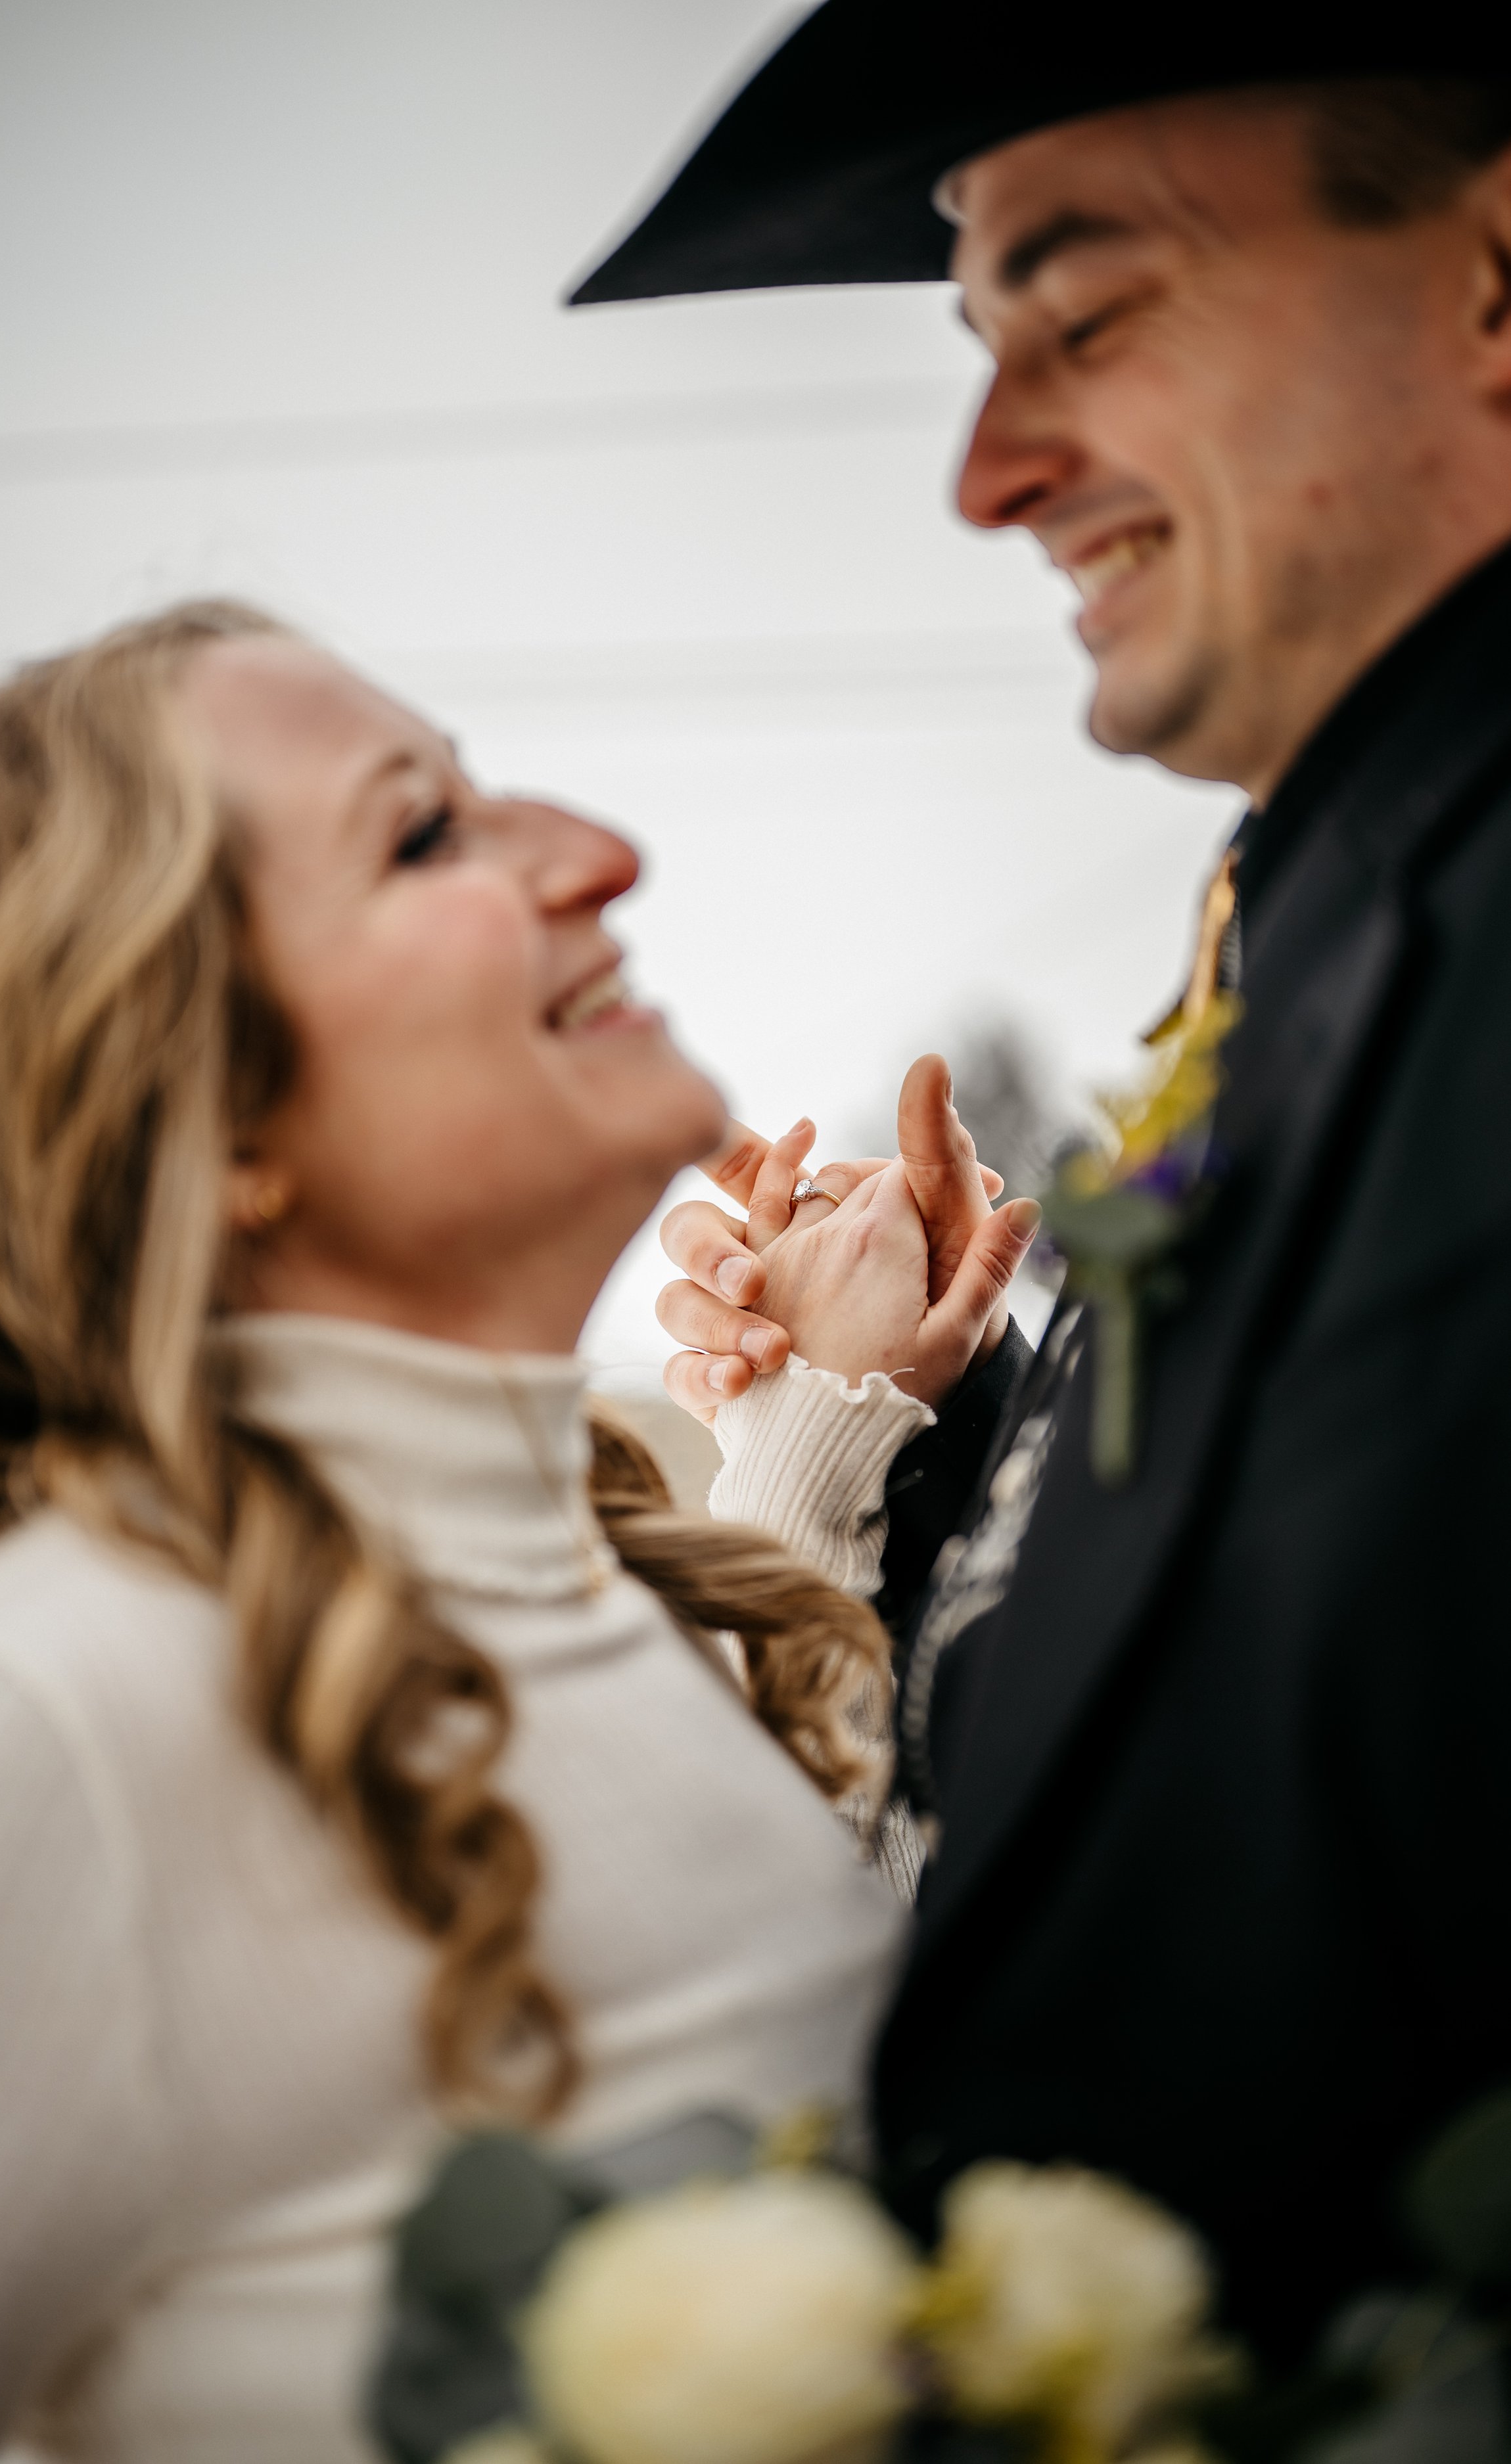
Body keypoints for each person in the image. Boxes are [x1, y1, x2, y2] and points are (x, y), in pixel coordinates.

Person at [581, 9, 1511, 2366]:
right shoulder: (1318, 922)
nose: (986, 474)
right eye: (976, 345)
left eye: (1082, 314)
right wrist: (910, 1447)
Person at [0, 603, 1033, 2463]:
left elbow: (705, 1976)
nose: (596, 852)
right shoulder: (29, 1731)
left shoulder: (562, 1590)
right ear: (208, 1105)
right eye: (424, 832)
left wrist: (831, 1419)